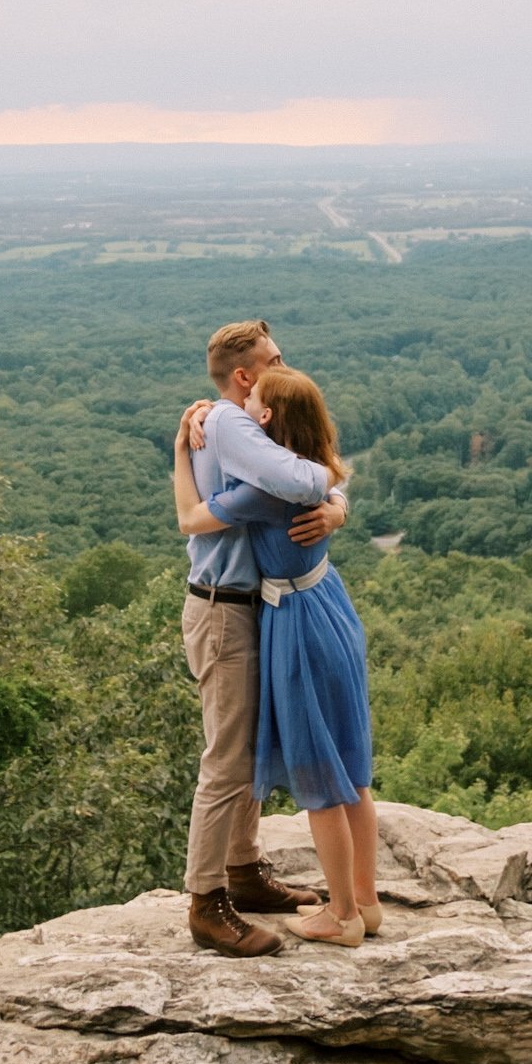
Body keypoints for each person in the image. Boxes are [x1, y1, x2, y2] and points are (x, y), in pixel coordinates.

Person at [174, 363, 380, 950]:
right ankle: (366, 902)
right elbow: (321, 477)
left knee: (319, 773)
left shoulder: (266, 490)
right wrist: (338, 499)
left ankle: (341, 916)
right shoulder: (306, 472)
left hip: (294, 619)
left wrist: (178, 456)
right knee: (351, 767)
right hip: (328, 604)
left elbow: (191, 518)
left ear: (265, 420)